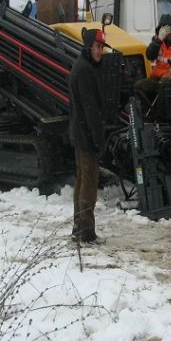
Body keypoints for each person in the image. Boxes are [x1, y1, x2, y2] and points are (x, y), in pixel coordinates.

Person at [69, 27, 107, 243]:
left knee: (82, 179)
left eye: (102, 47)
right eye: (98, 47)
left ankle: (78, 227)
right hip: (86, 135)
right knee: (89, 182)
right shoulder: (85, 70)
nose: (100, 51)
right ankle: (86, 232)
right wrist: (98, 138)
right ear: (89, 46)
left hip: (80, 132)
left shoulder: (82, 66)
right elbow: (90, 109)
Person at [135, 13, 171, 107]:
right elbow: (150, 56)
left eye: (168, 33)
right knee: (138, 86)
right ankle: (147, 112)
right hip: (157, 78)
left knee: (164, 89)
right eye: (164, 32)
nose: (166, 36)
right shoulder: (157, 40)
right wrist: (159, 39)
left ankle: (160, 114)